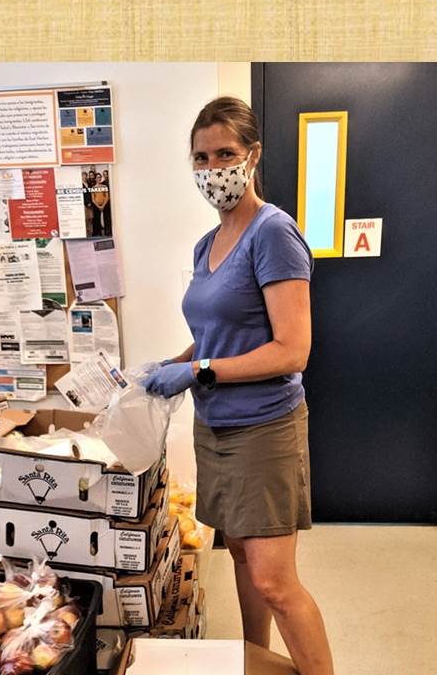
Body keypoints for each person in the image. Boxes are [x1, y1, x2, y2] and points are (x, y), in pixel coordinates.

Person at [142, 96, 335, 675]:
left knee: (276, 581)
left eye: (224, 153)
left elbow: (290, 350)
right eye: (200, 157)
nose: (212, 168)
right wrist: (169, 365)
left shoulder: (273, 234)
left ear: (252, 155)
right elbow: (213, 335)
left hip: (263, 427)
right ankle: (259, 664)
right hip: (216, 426)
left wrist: (198, 372)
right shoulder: (208, 243)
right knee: (243, 561)